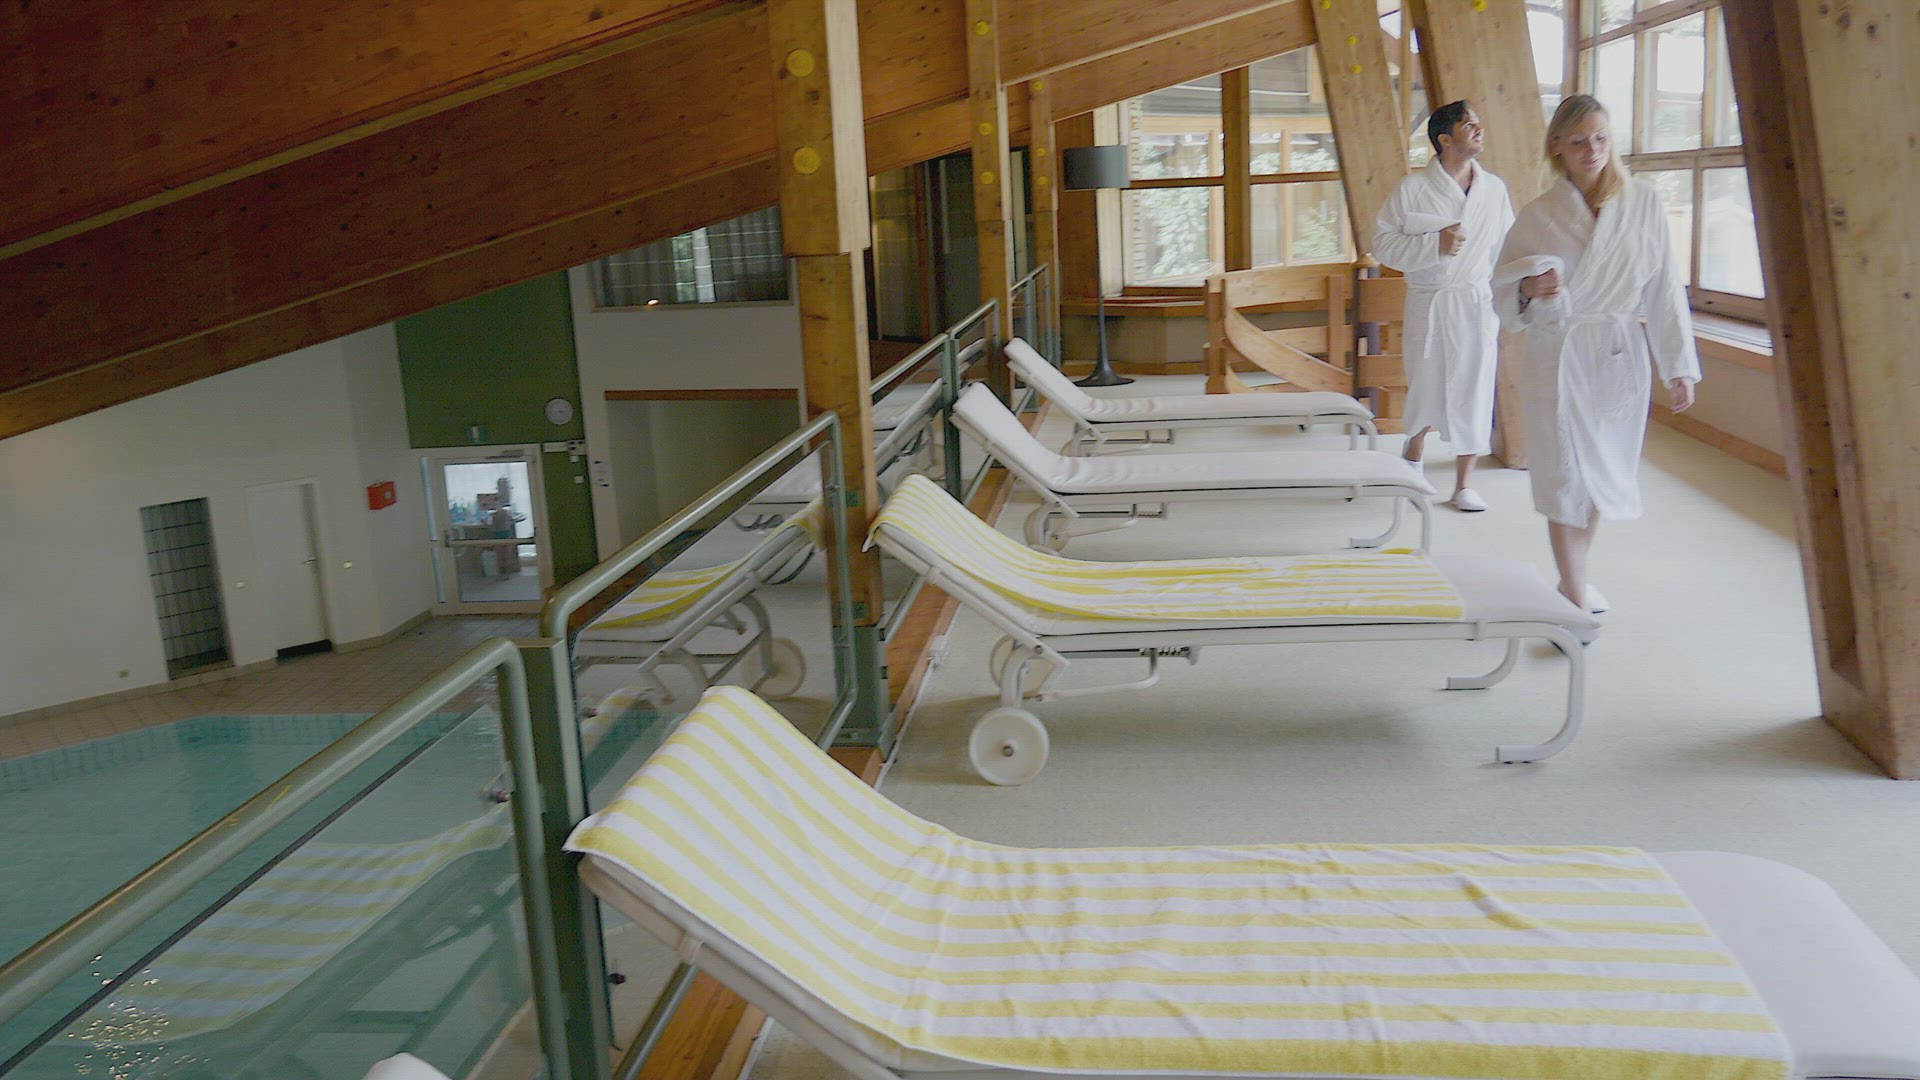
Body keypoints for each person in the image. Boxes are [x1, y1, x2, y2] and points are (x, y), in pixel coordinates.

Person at [1493, 94, 1700, 614]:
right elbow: (1502, 292)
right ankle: (1575, 586)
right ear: (1557, 147)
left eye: (1602, 138)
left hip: (1616, 352)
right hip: (1557, 354)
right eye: (1579, 141)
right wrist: (1529, 289)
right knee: (1564, 471)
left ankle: (1574, 579)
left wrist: (1678, 366)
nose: (1592, 151)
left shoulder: (1643, 202)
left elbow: (1663, 288)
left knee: (1602, 469)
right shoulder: (1537, 216)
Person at [1372, 99, 1513, 513]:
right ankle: (1413, 457)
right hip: (1430, 300)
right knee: (1426, 382)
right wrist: (1434, 244)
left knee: (1475, 386)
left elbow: (1507, 247)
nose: (1479, 129)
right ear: (1445, 139)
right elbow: (1383, 244)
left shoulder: (1495, 189)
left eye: (1478, 123)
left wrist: (1512, 295)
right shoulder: (1412, 189)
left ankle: (1464, 484)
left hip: (1474, 301)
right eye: (1469, 124)